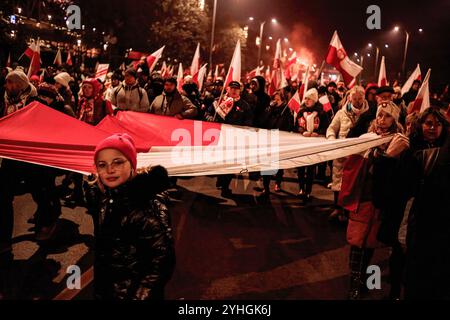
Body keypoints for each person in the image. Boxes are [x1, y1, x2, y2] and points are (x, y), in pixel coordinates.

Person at [84, 133, 175, 300]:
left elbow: (160, 263)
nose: (110, 170)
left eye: (118, 162)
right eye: (102, 165)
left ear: (132, 164)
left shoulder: (147, 206)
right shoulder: (107, 199)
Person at [339, 101, 405, 300]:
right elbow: (351, 166)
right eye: (379, 115)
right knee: (357, 243)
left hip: (381, 201)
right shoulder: (366, 139)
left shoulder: (399, 141)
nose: (381, 119)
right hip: (362, 199)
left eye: (386, 116)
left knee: (370, 243)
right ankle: (354, 286)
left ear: (395, 120)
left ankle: (366, 281)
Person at [326, 86, 370, 222]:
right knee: (339, 180)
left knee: (354, 183)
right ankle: (337, 208)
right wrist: (332, 141)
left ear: (364, 98)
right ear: (350, 98)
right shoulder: (341, 113)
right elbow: (331, 129)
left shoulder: (369, 114)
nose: (357, 101)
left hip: (359, 155)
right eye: (354, 98)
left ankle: (349, 210)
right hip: (342, 153)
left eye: (360, 98)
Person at [205, 81, 253, 197]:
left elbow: (248, 122)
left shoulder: (244, 105)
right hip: (219, 136)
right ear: (228, 89)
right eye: (232, 88)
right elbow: (207, 112)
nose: (234, 91)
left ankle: (225, 185)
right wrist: (210, 118)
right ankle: (221, 178)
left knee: (231, 163)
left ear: (240, 90)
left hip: (234, 139)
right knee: (219, 160)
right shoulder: (219, 101)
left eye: (237, 89)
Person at [295, 88, 329, 204]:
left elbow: (326, 127)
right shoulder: (301, 111)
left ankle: (308, 190)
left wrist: (318, 132)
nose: (306, 101)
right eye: (306, 98)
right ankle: (301, 188)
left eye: (309, 99)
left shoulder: (322, 113)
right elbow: (296, 125)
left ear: (314, 100)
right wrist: (301, 131)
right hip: (302, 142)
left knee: (310, 168)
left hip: (314, 143)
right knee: (301, 167)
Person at [259, 90, 294, 195]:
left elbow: (290, 124)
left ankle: (277, 183)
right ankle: (266, 187)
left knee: (278, 164)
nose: (276, 99)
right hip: (269, 138)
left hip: (280, 138)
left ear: (282, 99)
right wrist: (269, 109)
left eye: (278, 98)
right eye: (274, 97)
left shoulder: (286, 110)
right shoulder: (270, 108)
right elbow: (263, 121)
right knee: (267, 164)